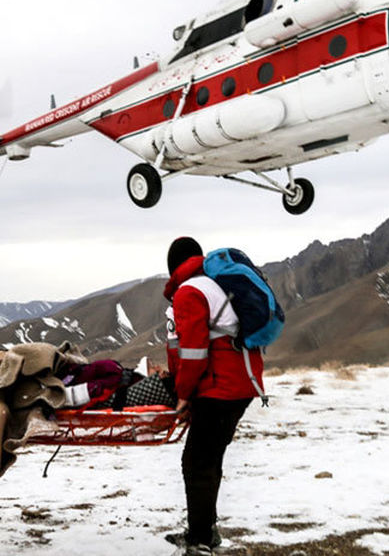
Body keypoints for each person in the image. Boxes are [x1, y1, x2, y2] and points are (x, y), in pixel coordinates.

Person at [163, 237, 264, 556]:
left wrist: (183, 394)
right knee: (209, 458)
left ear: (173, 266)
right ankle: (205, 531)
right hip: (242, 383)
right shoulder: (215, 284)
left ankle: (200, 542)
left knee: (197, 462)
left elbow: (193, 351)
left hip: (220, 387)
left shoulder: (189, 291)